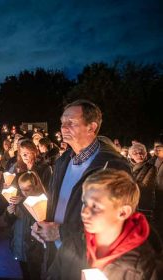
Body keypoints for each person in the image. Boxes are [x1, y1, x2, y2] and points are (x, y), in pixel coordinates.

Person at [31, 99, 131, 275]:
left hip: (87, 262)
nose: (63, 127)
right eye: (62, 122)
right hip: (57, 255)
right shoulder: (63, 162)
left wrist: (61, 233)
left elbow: (117, 226)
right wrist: (43, 226)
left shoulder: (112, 166)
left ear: (91, 127)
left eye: (71, 122)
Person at [48, 169, 163, 279]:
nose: (84, 212)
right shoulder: (72, 244)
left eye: (95, 206)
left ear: (123, 212)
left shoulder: (145, 268)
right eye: (84, 203)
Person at [6, 171, 46, 280]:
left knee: (34, 274)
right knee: (24, 273)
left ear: (35, 186)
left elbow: (38, 219)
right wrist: (10, 213)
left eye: (27, 189)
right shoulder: (20, 199)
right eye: (21, 189)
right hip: (20, 244)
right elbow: (10, 223)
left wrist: (23, 202)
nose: (24, 193)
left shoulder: (42, 201)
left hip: (34, 247)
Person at [128, 142, 157, 219]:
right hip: (130, 201)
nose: (139, 155)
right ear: (131, 156)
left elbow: (145, 185)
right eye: (135, 153)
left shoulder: (151, 168)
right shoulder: (128, 166)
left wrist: (125, 186)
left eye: (141, 152)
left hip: (144, 201)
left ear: (145, 154)